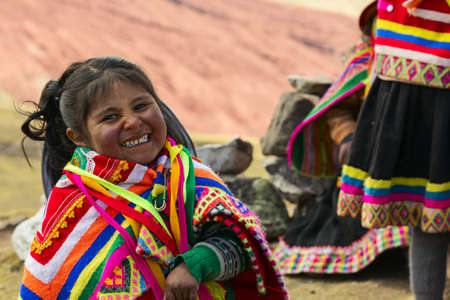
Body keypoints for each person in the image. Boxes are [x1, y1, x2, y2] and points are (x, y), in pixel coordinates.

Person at [19, 57, 287, 300]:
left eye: (141, 105)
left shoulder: (189, 178)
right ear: (77, 137)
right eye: (110, 117)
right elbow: (47, 284)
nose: (133, 122)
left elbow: (243, 245)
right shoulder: (72, 198)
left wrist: (194, 265)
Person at [274, 1, 410, 275]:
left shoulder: (421, 58)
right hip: (367, 155)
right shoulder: (364, 62)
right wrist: (348, 138)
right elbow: (337, 108)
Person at [336, 1, 450, 299]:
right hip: (413, 111)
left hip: (426, 107)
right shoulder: (391, 8)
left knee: (430, 219)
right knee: (427, 218)